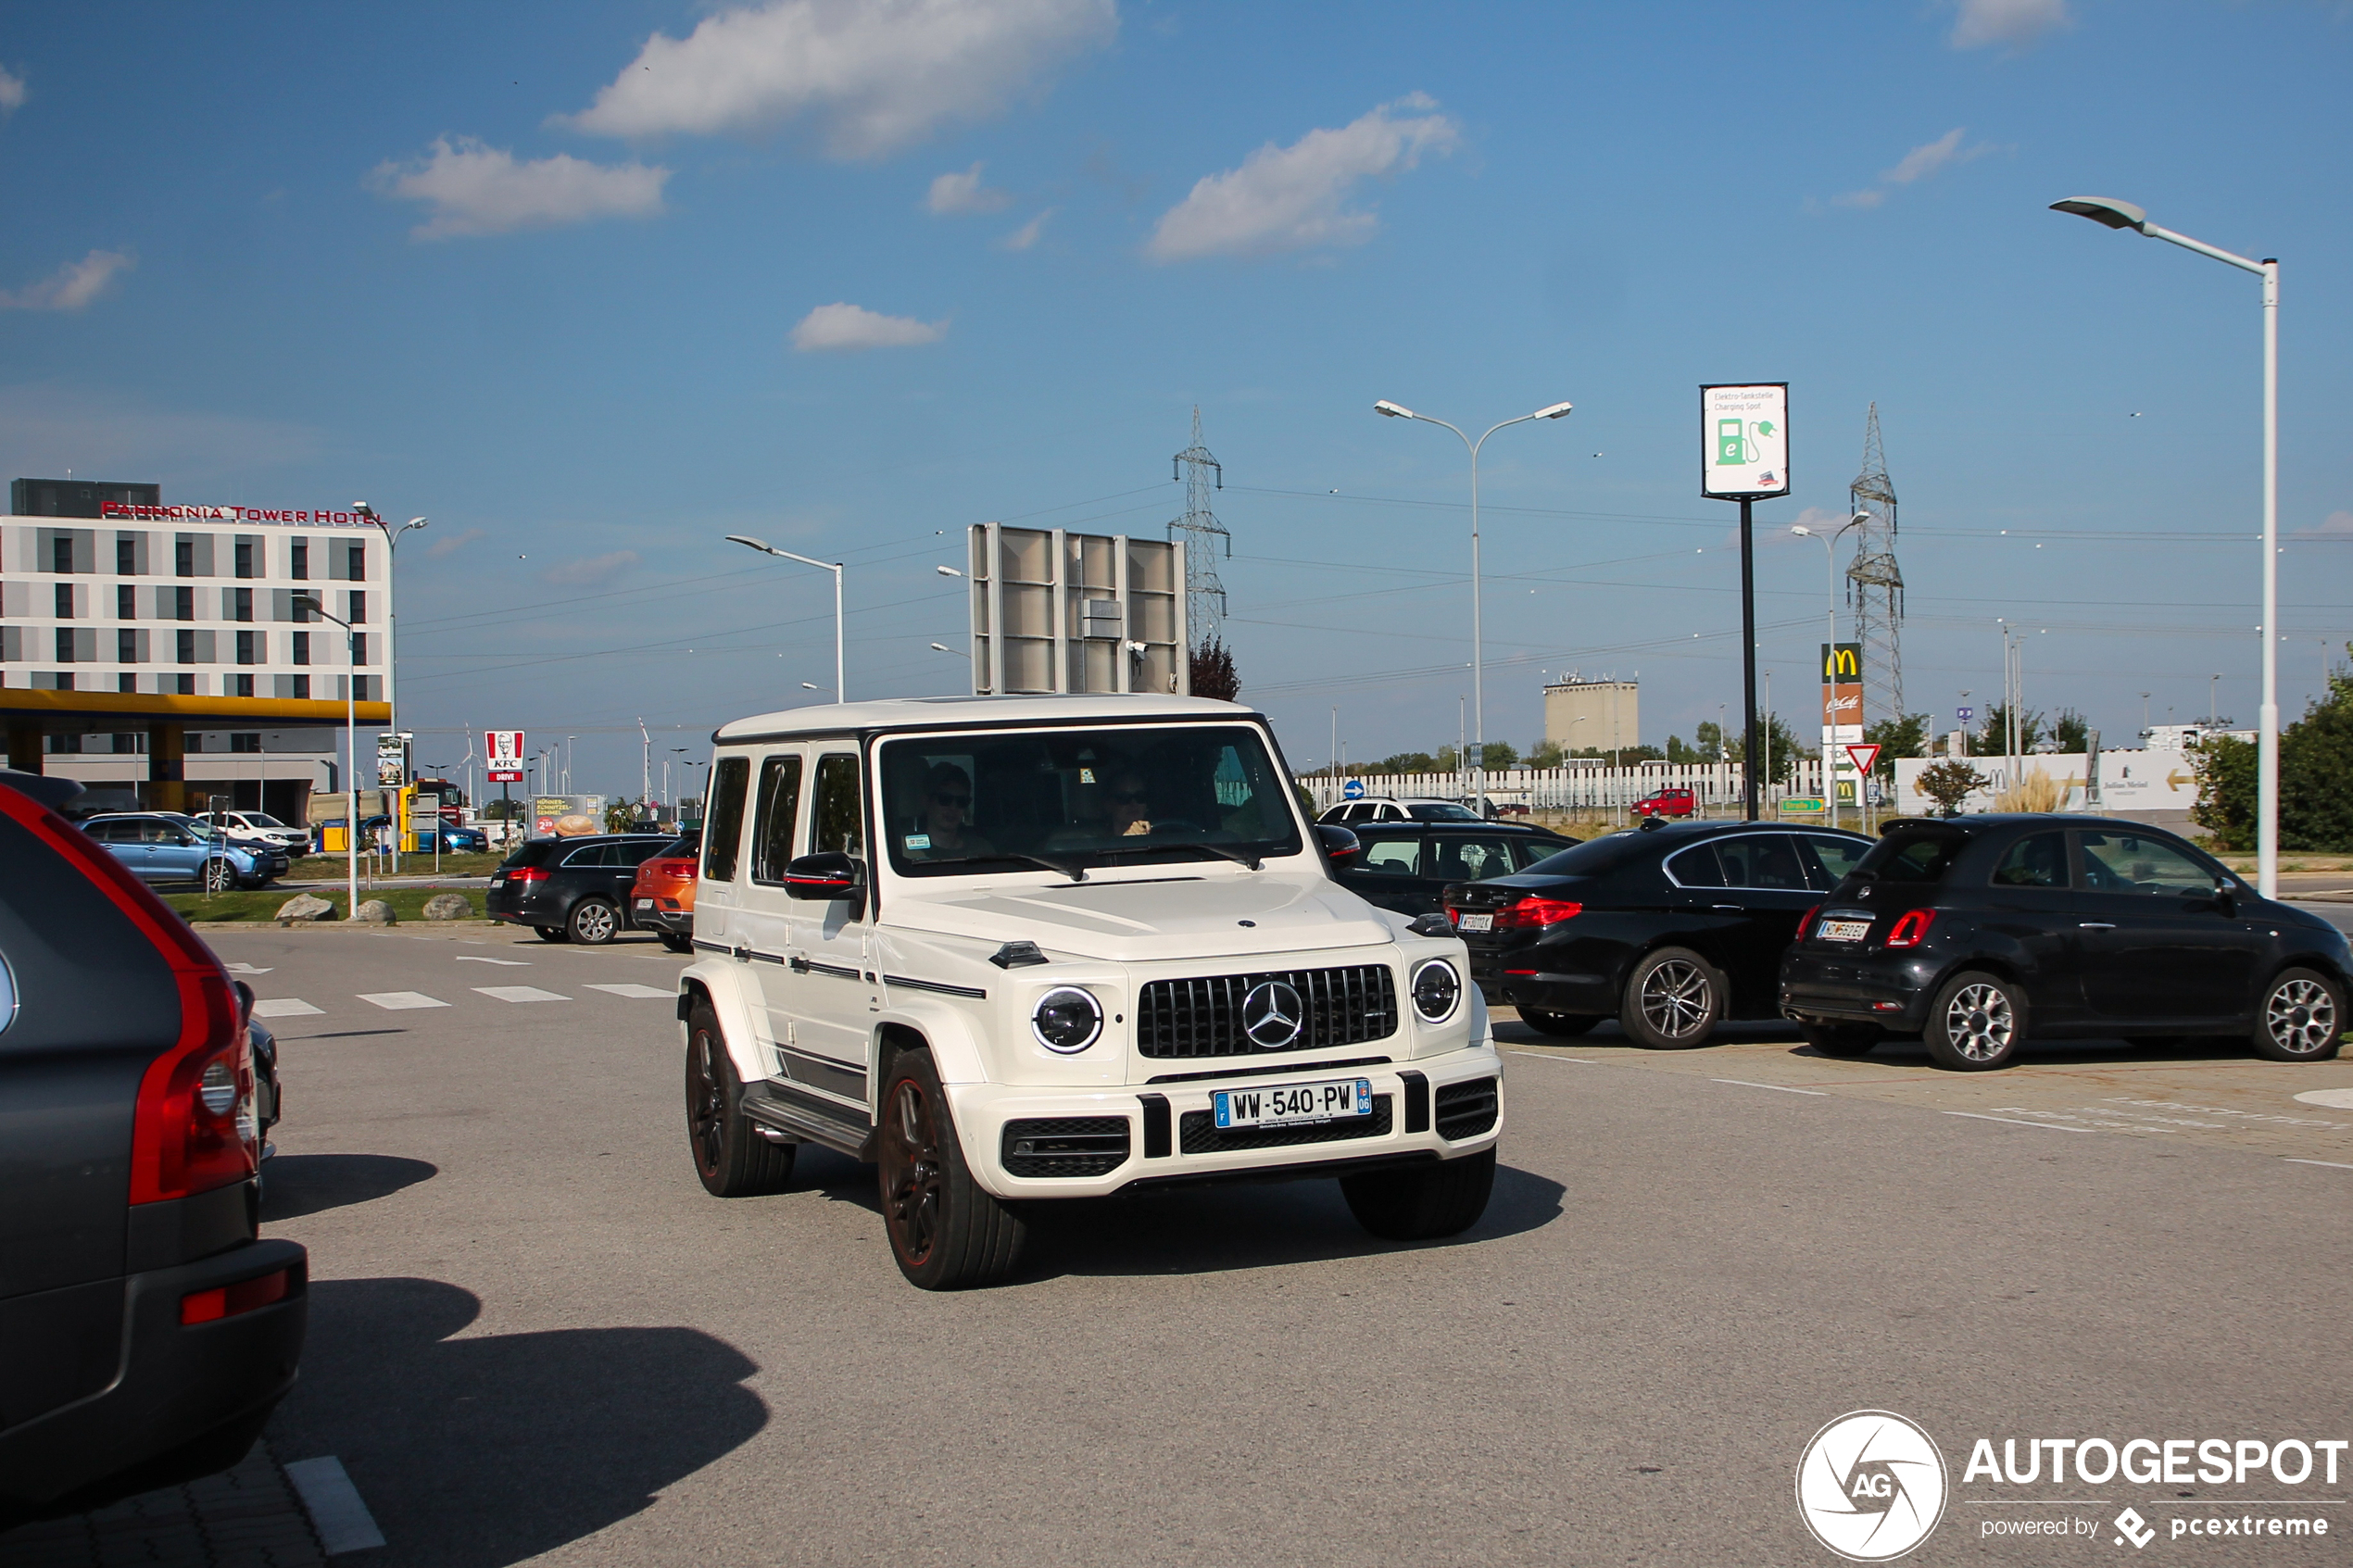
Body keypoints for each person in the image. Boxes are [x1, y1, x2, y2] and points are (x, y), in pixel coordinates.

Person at [908, 762, 992, 859]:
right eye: (945, 799)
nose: (953, 807)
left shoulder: (982, 850)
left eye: (961, 801)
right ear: (926, 801)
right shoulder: (905, 852)